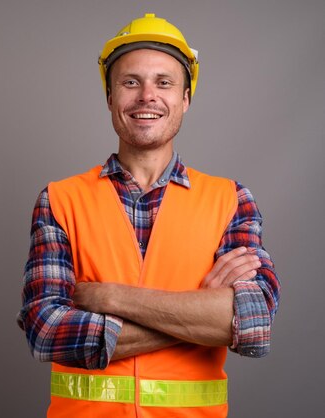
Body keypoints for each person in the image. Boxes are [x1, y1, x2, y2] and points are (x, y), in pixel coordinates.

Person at [17, 13, 280, 418]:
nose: (147, 96)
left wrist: (109, 296)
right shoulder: (60, 199)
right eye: (130, 82)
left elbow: (254, 322)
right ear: (110, 98)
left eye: (164, 82)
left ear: (185, 99)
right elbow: (46, 331)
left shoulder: (231, 200)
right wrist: (201, 315)